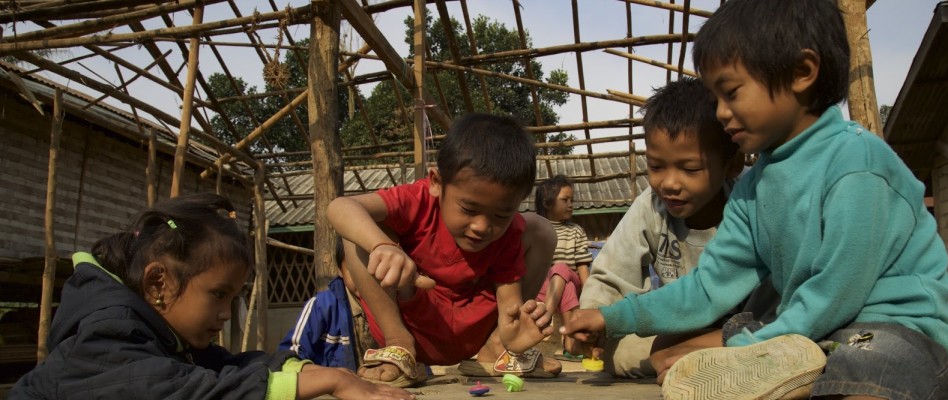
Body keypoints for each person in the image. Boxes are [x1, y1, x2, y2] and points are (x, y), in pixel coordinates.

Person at [563, 1, 948, 399]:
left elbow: (834, 294)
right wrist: (612, 317)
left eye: (731, 93)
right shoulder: (753, 189)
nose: (720, 113)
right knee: (721, 352)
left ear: (801, 73)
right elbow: (706, 288)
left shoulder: (857, 164)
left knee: (865, 369)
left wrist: (746, 352)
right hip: (810, 334)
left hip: (896, 331)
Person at [10, 193, 414, 400]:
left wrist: (309, 373)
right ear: (158, 284)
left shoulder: (166, 336)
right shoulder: (104, 336)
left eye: (233, 298)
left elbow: (229, 365)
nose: (225, 314)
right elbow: (186, 393)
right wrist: (323, 380)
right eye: (219, 295)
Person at [327, 113, 558, 388]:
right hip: (411, 323)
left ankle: (495, 351)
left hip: (473, 331)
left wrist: (513, 334)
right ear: (437, 182)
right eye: (469, 209)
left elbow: (509, 305)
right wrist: (383, 246)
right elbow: (339, 207)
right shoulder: (417, 200)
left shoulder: (508, 233)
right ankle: (398, 346)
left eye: (501, 215)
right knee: (360, 232)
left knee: (542, 229)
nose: (482, 227)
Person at [578, 77, 777, 381]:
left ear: (732, 164)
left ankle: (707, 359)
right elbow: (611, 275)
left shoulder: (757, 200)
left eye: (690, 169)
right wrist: (593, 320)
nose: (668, 183)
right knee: (621, 353)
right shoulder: (651, 206)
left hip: (761, 330)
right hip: (682, 331)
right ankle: (700, 361)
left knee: (783, 342)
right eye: (656, 166)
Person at [532, 175, 594, 358]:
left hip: (572, 281)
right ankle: (570, 337)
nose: (571, 204)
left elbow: (582, 267)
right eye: (565, 200)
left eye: (572, 200)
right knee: (561, 281)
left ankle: (546, 315)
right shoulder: (536, 229)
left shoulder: (575, 231)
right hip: (544, 286)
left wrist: (590, 297)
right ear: (547, 203)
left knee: (561, 268)